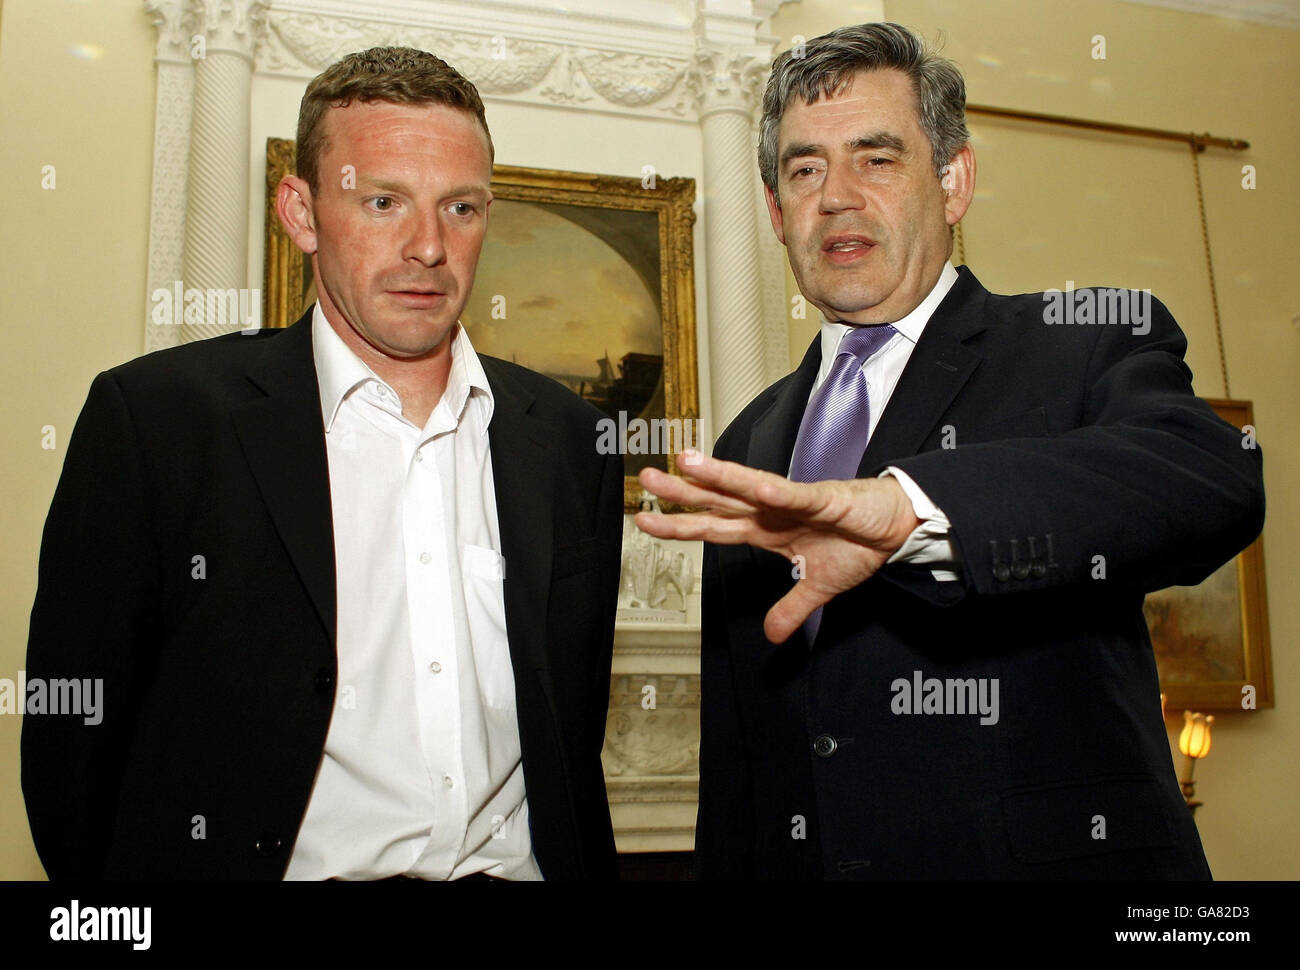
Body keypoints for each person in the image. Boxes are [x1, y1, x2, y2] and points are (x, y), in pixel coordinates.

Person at [636, 23, 1264, 879]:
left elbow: (1208, 479)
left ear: (953, 180)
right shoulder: (751, 438)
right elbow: (746, 744)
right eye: (805, 168)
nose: (837, 197)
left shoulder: (1080, 342)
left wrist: (911, 510)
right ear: (778, 214)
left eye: (877, 158)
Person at [23, 47, 622, 881]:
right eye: (383, 201)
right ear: (301, 213)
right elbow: (73, 754)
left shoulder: (564, 440)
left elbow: (572, 729)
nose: (428, 247)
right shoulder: (158, 423)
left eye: (461, 207)